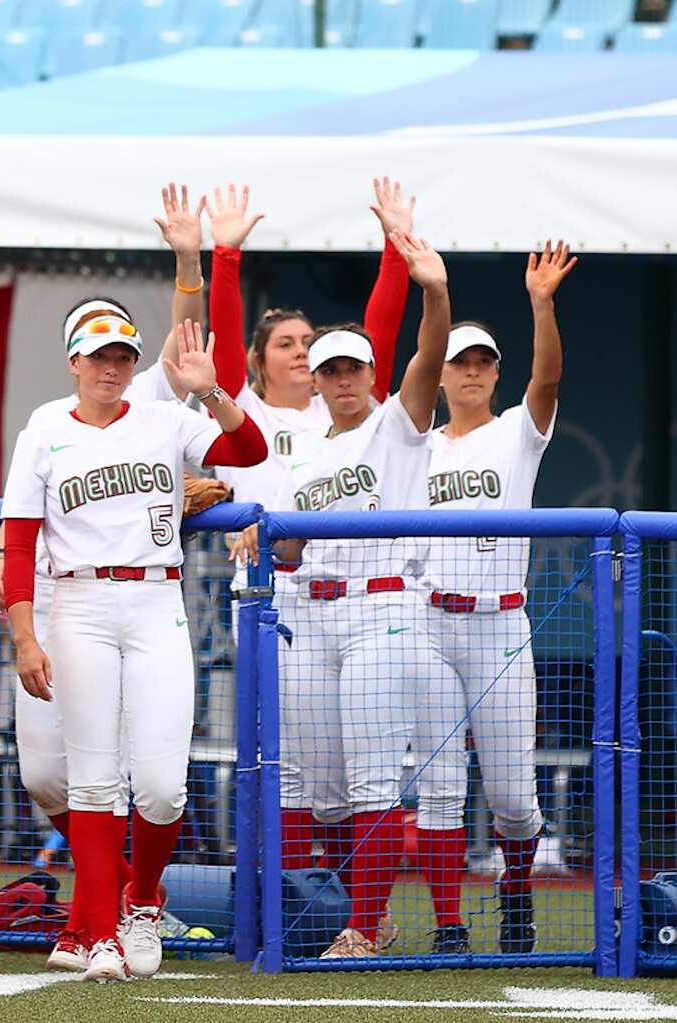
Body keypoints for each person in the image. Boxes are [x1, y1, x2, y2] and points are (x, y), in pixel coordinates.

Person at [2, 315, 269, 982]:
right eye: (98, 356)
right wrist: (25, 634)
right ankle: (101, 936)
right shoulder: (43, 431)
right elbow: (18, 541)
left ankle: (143, 900)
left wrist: (210, 392)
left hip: (155, 598)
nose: (110, 367)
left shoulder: (163, 419)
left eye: (122, 355)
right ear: (74, 361)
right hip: (79, 602)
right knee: (91, 781)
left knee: (160, 784)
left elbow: (250, 451)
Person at [210, 179, 413, 874]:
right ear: (258, 359)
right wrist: (226, 257)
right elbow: (220, 345)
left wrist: (396, 245)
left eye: (311, 343)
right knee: (288, 763)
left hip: (348, 596)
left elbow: (378, 335)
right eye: (288, 343)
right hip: (271, 599)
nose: (302, 353)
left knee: (347, 767)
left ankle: (344, 900)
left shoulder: (349, 411)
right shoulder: (249, 414)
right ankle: (291, 896)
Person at [272, 232, 452, 960]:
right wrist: (251, 530)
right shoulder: (305, 454)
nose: (343, 379)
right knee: (323, 779)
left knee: (377, 769)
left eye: (353, 367)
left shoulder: (395, 424)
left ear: (373, 371)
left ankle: (364, 922)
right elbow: (290, 547)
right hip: (312, 607)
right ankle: (345, 907)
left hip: (383, 604)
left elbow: (430, 357)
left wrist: (433, 292)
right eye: (330, 370)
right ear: (314, 381)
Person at [410, 242, 572, 955]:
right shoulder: (415, 445)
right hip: (430, 619)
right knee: (441, 787)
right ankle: (448, 922)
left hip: (500, 620)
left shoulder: (516, 435)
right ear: (440, 374)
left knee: (511, 794)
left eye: (483, 361)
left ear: (495, 372)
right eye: (460, 361)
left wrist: (542, 304)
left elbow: (547, 379)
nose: (472, 371)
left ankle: (515, 885)